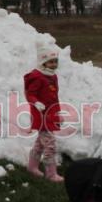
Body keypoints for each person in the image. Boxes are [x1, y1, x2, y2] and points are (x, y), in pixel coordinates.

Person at [24, 46, 64, 182]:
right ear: (43, 62)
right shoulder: (37, 77)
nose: (54, 64)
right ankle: (51, 173)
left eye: (55, 61)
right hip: (41, 115)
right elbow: (30, 94)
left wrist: (58, 112)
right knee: (50, 144)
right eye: (50, 62)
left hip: (50, 114)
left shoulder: (53, 77)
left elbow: (55, 97)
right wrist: (35, 102)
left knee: (40, 143)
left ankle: (32, 166)